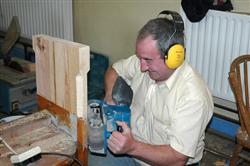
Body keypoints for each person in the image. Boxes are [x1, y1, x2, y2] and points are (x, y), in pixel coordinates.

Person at [89, 10, 213, 166]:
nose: (141, 66)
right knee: (94, 157)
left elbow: (178, 158)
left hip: (167, 161)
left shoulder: (193, 96)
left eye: (147, 60)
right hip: (133, 149)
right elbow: (114, 70)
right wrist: (109, 96)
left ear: (174, 58)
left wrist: (132, 147)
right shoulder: (143, 62)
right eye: (140, 57)